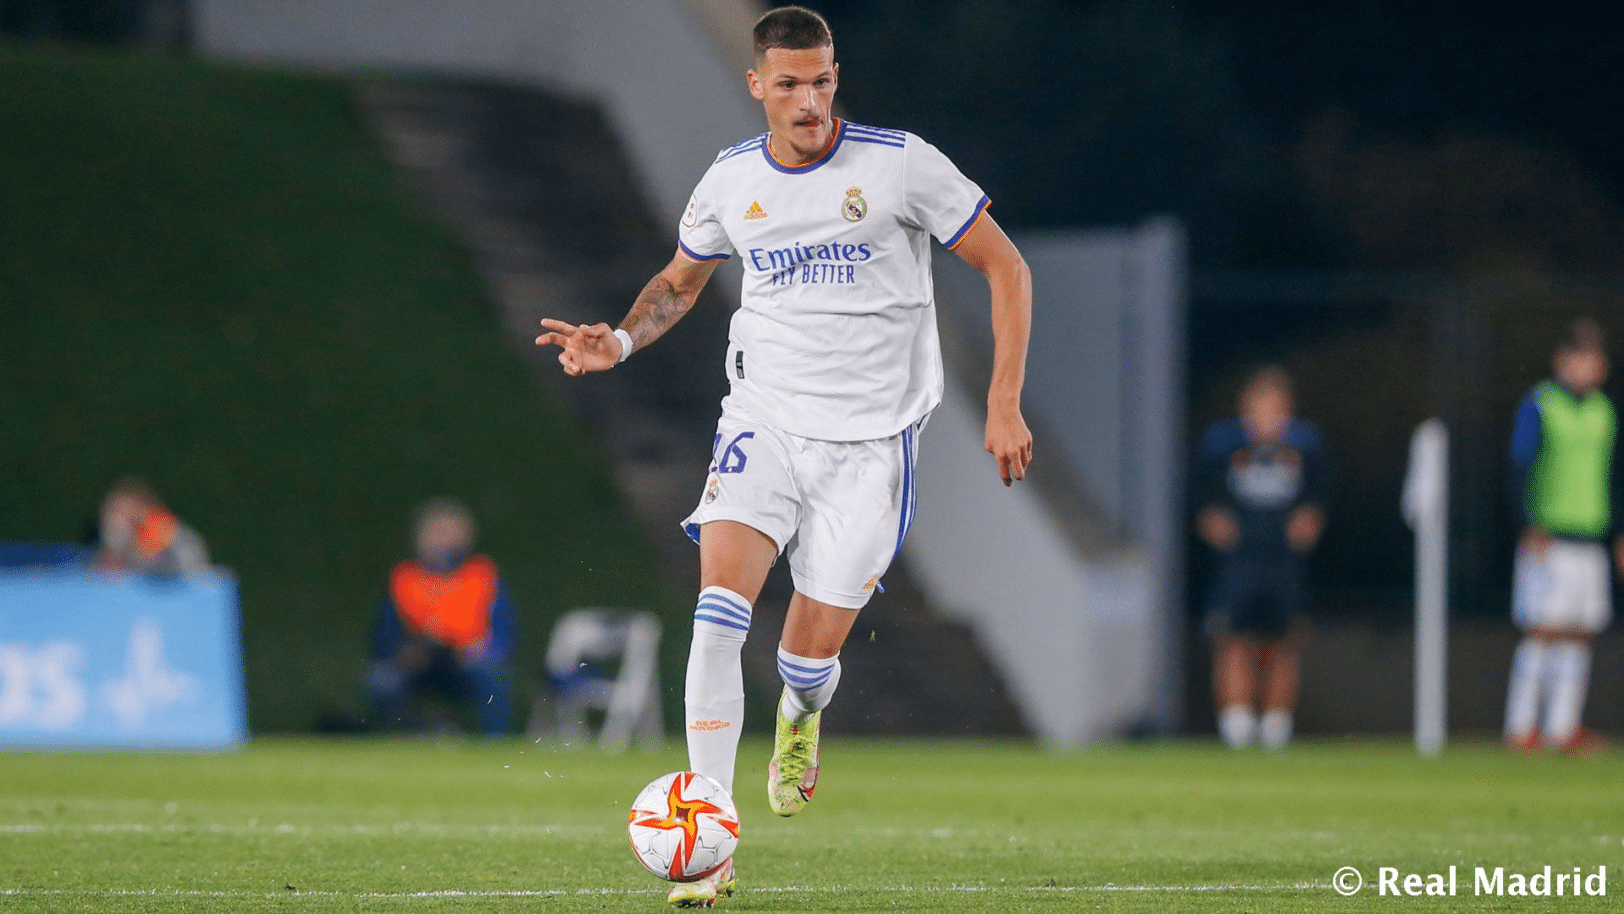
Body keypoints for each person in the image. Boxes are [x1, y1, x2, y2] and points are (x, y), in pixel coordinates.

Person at [535, 6, 1032, 906]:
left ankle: (801, 715)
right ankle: (710, 843)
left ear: (836, 79)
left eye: (823, 81)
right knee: (718, 614)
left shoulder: (899, 165)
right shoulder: (731, 180)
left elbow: (1007, 267)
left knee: (805, 661)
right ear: (758, 84)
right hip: (762, 421)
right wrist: (621, 338)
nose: (810, 102)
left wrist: (1002, 403)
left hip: (871, 446)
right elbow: (679, 282)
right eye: (791, 84)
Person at [1194, 366, 1329, 751]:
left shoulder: (1305, 446)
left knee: (1284, 640)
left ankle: (1276, 724)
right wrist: (1212, 522)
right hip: (1239, 560)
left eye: (1276, 407)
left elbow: (1320, 496)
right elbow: (1200, 495)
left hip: (1283, 561)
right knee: (1234, 639)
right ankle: (1236, 723)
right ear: (1247, 408)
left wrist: (1310, 521)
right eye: (1261, 406)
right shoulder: (1221, 446)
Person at [1503, 318, 1620, 754]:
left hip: (1590, 536)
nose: (1590, 367)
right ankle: (1521, 726)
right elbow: (1519, 465)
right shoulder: (1541, 403)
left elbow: (1612, 477)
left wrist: (1618, 532)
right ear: (1563, 359)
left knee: (1580, 632)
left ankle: (1563, 726)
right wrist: (1526, 522)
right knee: (1542, 629)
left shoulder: (1603, 411)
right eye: (1582, 357)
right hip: (1548, 536)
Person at [367, 498, 517, 736]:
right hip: (418, 665)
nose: (443, 540)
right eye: (436, 532)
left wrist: (477, 650)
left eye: (450, 532)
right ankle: (408, 736)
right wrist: (405, 653)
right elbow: (382, 639)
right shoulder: (404, 577)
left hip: (466, 663)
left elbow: (505, 634)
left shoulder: (482, 573)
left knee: (491, 675)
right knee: (383, 681)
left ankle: (496, 742)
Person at [93, 477, 210, 576]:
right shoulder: (132, 533)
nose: (115, 515)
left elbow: (139, 562)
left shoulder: (159, 525)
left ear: (139, 507)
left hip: (186, 585)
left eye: (120, 509)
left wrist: (116, 541)